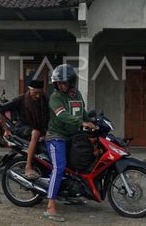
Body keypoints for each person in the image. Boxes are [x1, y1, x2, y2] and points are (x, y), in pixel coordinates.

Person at [44, 64, 96, 222]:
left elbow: (82, 112)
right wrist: (81, 123)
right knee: (59, 168)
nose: (61, 85)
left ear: (72, 82)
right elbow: (63, 115)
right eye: (59, 83)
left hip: (72, 136)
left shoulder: (76, 94)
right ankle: (50, 207)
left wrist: (91, 122)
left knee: (77, 165)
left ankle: (72, 195)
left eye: (64, 82)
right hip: (56, 137)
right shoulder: (55, 97)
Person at [0, 80, 49, 179]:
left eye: (40, 93)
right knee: (36, 133)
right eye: (35, 93)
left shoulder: (45, 99)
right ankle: (28, 167)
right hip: (23, 129)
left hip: (41, 130)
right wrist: (6, 129)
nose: (37, 96)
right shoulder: (20, 99)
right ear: (29, 90)